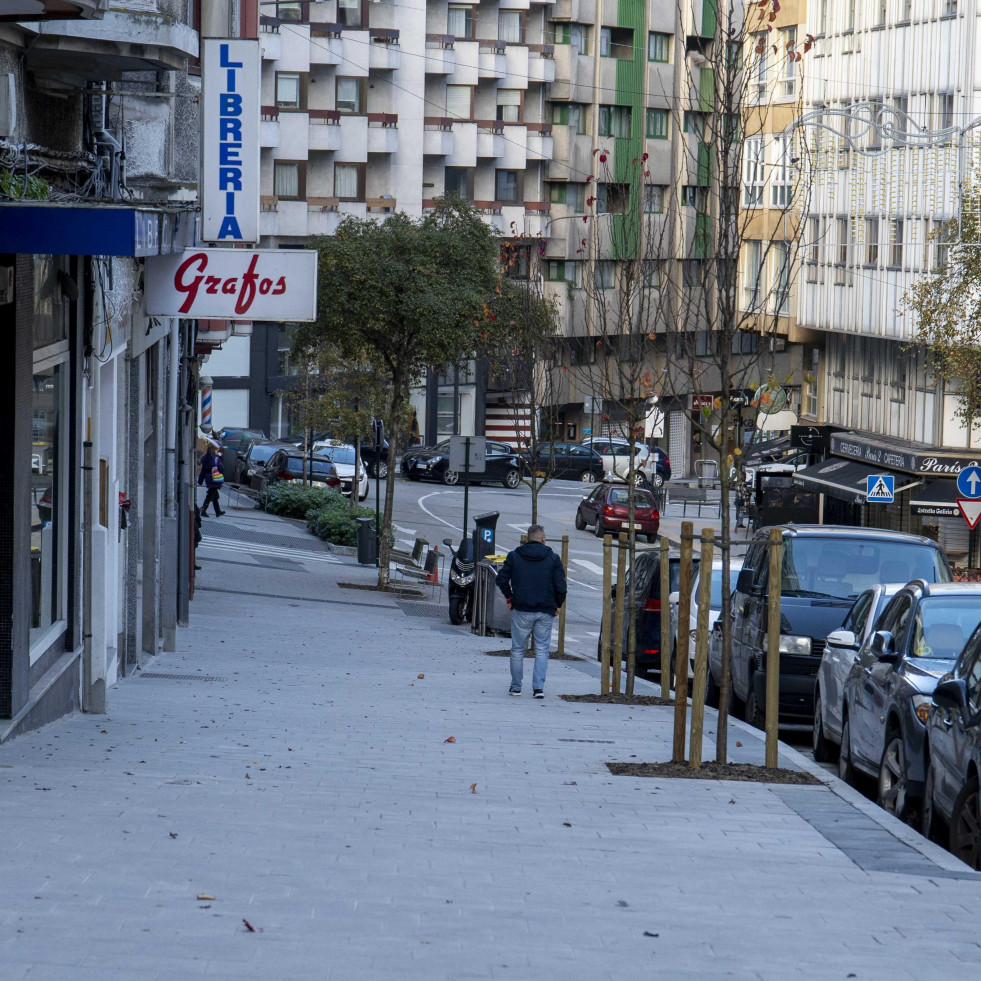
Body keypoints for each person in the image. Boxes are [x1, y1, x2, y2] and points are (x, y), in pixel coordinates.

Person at [495, 524, 567, 699]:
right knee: (542, 649)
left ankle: (516, 687)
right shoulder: (553, 558)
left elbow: (501, 580)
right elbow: (561, 586)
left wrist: (510, 597)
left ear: (528, 538)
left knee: (518, 649)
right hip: (545, 611)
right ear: (543, 539)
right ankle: (538, 689)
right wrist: (557, 604)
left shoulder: (514, 556)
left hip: (522, 609)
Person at [198, 443, 225, 517]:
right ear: (214, 450)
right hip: (215, 478)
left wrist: (200, 480)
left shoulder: (205, 458)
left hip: (208, 478)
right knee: (210, 496)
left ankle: (218, 511)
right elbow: (221, 468)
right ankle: (203, 510)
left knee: (214, 495)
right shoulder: (215, 459)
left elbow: (203, 471)